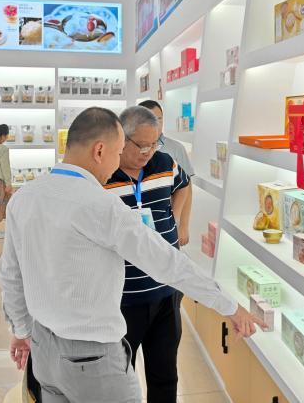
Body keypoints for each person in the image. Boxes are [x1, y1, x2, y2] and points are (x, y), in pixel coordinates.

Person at [0, 107, 263, 403]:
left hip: (43, 351)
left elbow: (10, 275)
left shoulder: (23, 198)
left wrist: (21, 330)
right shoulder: (100, 205)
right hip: (93, 359)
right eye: (118, 152)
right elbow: (166, 262)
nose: (117, 163)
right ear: (100, 151)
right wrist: (230, 307)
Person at [105, 106, 192, 403]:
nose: (148, 152)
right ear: (121, 138)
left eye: (153, 144)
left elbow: (184, 185)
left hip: (167, 293)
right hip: (123, 297)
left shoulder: (165, 163)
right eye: (141, 145)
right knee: (120, 377)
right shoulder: (103, 174)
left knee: (165, 374)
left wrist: (175, 219)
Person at [139, 100, 193, 246]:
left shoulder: (176, 148)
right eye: (150, 119)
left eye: (159, 119)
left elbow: (186, 188)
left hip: (167, 224)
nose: (156, 124)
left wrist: (182, 225)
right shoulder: (131, 149)